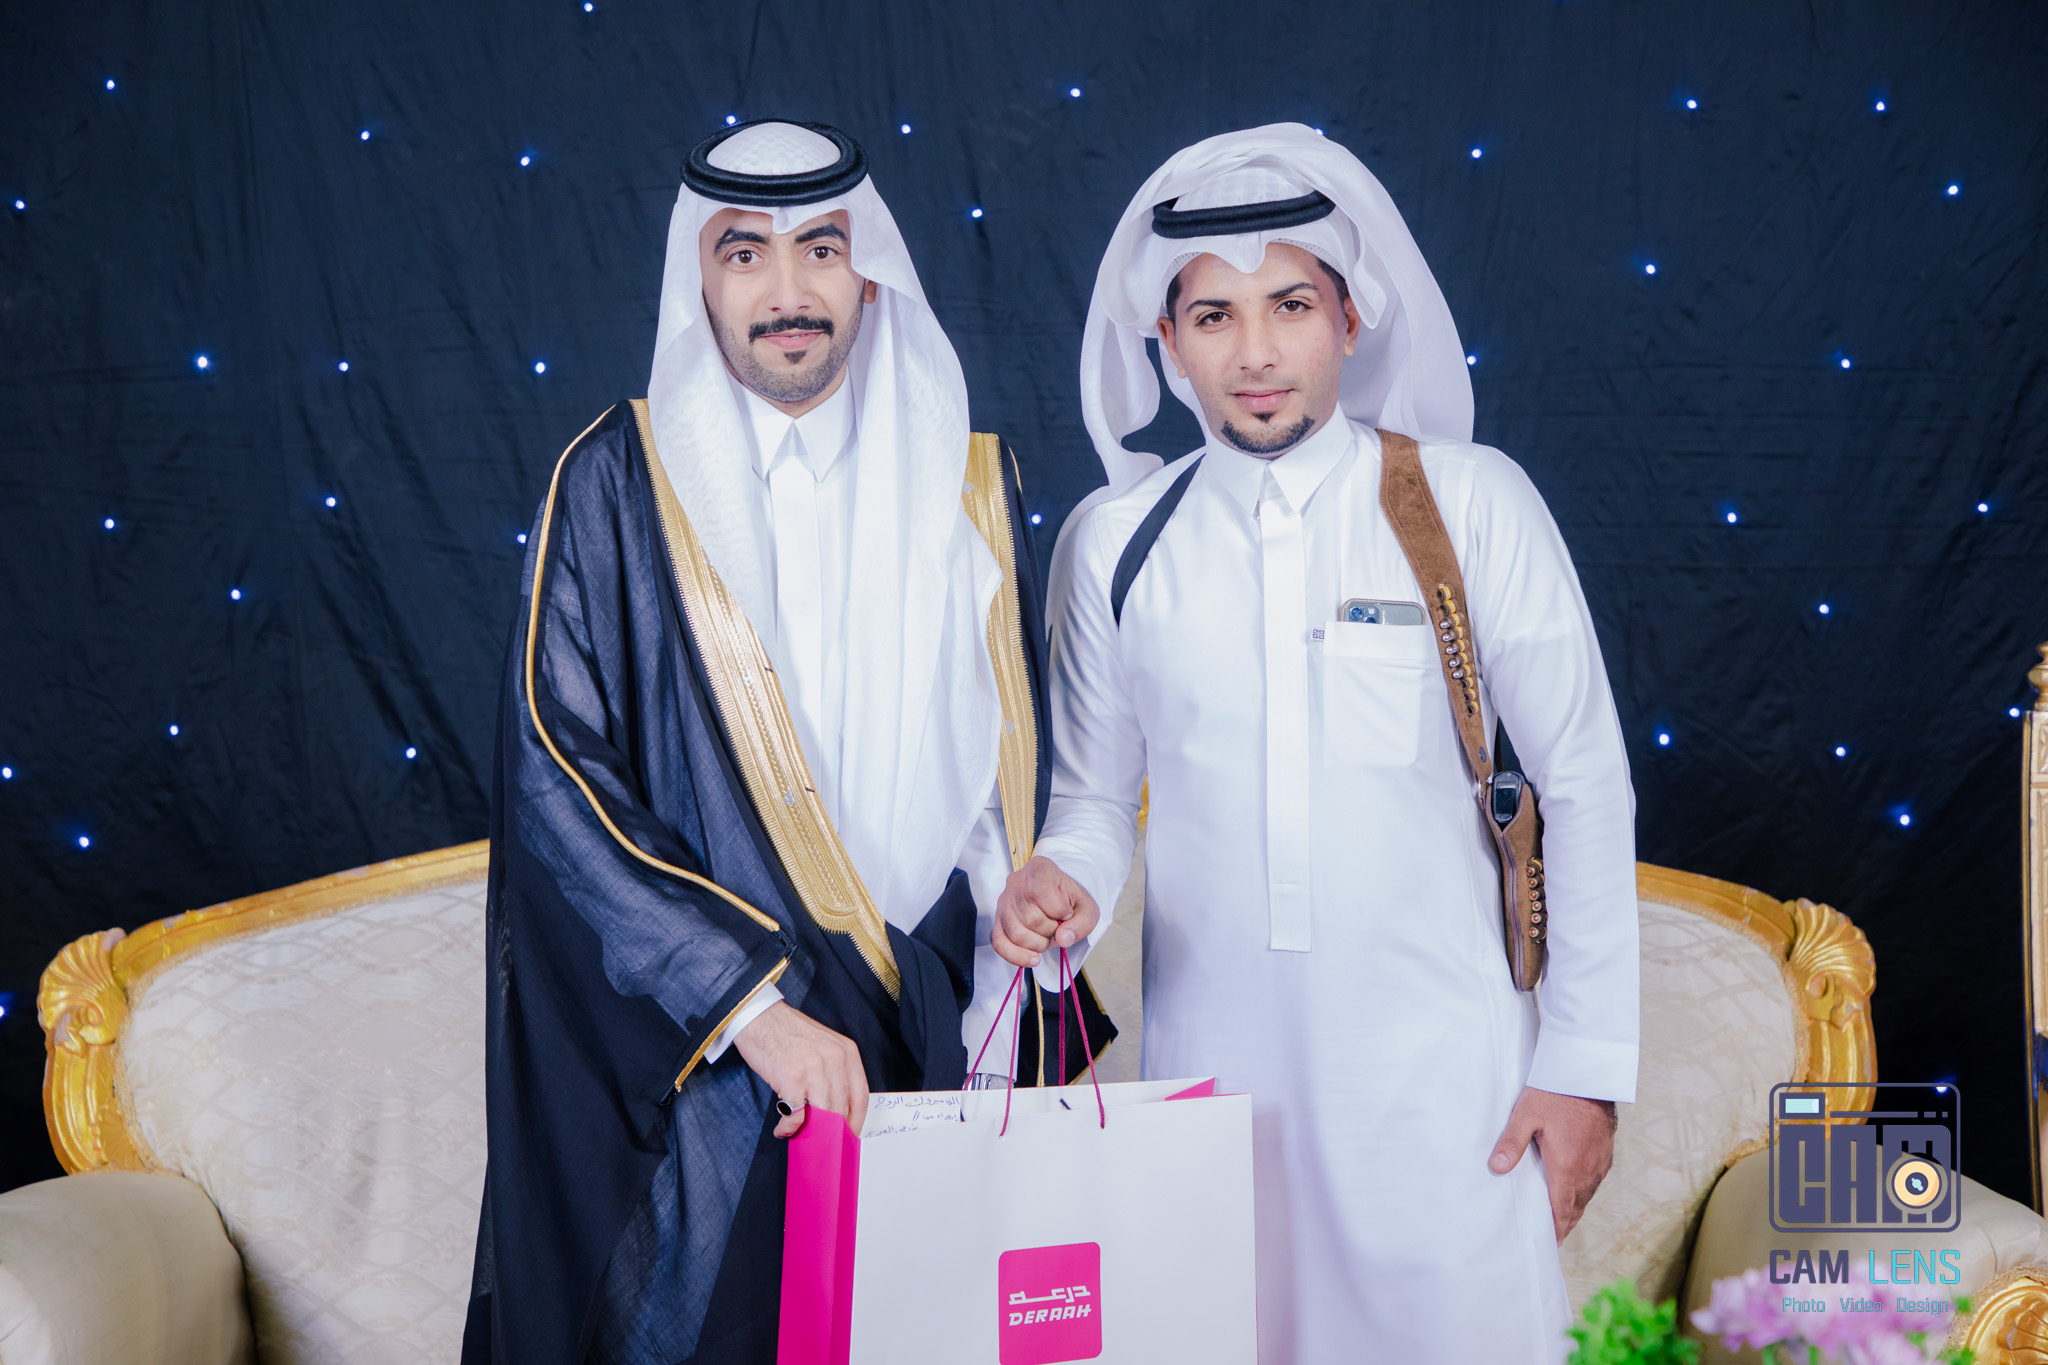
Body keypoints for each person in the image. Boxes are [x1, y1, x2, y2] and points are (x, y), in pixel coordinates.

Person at [997, 123, 1640, 1362]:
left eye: (1289, 306)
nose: (1254, 353)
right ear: (1164, 341)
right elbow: (1090, 801)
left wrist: (1581, 1067)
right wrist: (1057, 879)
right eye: (1212, 317)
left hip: (1446, 1089)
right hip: (1210, 1089)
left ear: (1349, 319)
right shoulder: (1114, 542)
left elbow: (1583, 786)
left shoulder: (1467, 503)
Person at [463, 119, 1069, 1365]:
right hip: (727, 1058)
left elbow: (1003, 770)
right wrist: (751, 1012)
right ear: (699, 278)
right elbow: (555, 778)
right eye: (745, 254)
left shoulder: (970, 480)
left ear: (869, 272)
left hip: (938, 1028)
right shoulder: (615, 482)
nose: (788, 291)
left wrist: (1004, 978)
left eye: (821, 250)